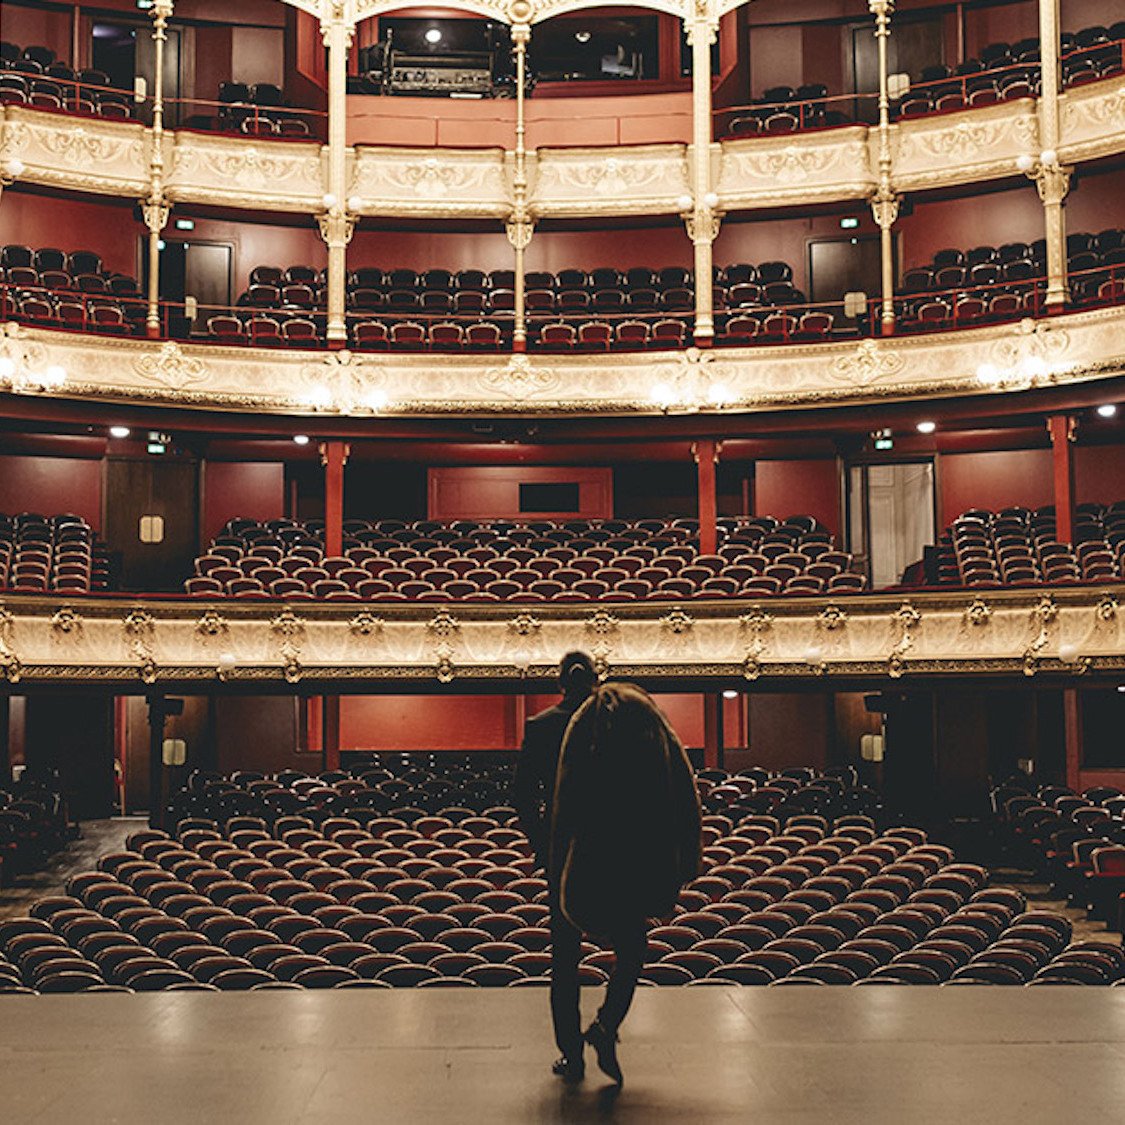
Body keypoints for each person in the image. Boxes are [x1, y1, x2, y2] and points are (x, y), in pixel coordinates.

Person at [546, 680, 702, 1086]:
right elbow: (687, 794)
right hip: (637, 860)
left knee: (566, 961)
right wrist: (687, 859)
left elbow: (567, 797)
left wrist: (557, 861)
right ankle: (605, 1025)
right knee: (633, 951)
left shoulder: (585, 725)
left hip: (587, 862)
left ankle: (573, 1054)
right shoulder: (653, 725)